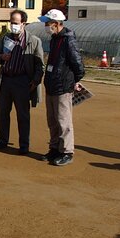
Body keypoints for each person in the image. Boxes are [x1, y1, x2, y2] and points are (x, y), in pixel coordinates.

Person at [0, 9, 44, 155]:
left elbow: (40, 65)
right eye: (11, 22)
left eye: (15, 23)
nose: (12, 25)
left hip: (22, 81)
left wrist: (35, 81)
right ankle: (3, 140)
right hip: (6, 79)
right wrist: (1, 57)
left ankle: (24, 145)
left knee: (23, 114)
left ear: (24, 23)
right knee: (2, 112)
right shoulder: (5, 38)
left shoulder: (33, 41)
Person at [38, 9, 85, 166]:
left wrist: (73, 80)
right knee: (52, 120)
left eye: (47, 22)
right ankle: (54, 148)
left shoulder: (68, 40)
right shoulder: (54, 39)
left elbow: (78, 64)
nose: (45, 25)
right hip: (51, 84)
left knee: (63, 120)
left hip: (63, 86)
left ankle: (67, 151)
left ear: (56, 24)